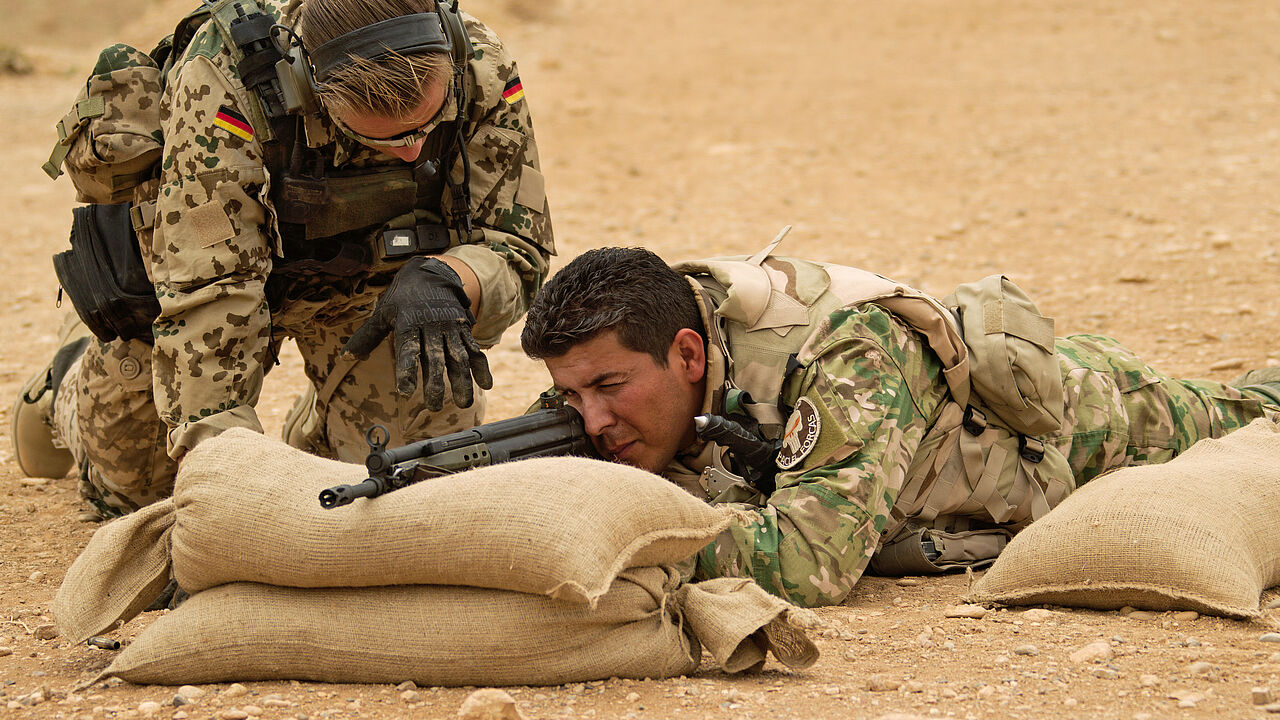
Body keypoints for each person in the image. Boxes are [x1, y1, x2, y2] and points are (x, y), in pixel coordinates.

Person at [11, 0, 553, 519]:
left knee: (412, 483)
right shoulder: (223, 82)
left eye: (426, 126)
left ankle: (328, 417)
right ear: (314, 89)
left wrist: (453, 279)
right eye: (389, 136)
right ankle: (68, 379)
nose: (414, 151)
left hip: (376, 293)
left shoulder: (480, 64)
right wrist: (226, 474)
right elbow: (215, 293)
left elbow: (515, 242)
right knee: (152, 500)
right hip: (210, 283)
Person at [519, 244, 1280, 607]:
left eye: (610, 388)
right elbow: (535, 447)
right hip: (940, 467)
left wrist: (619, 528)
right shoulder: (621, 363)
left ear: (687, 354)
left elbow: (810, 561)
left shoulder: (842, 355)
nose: (594, 420)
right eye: (572, 393)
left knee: (1254, 408)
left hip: (1097, 421)